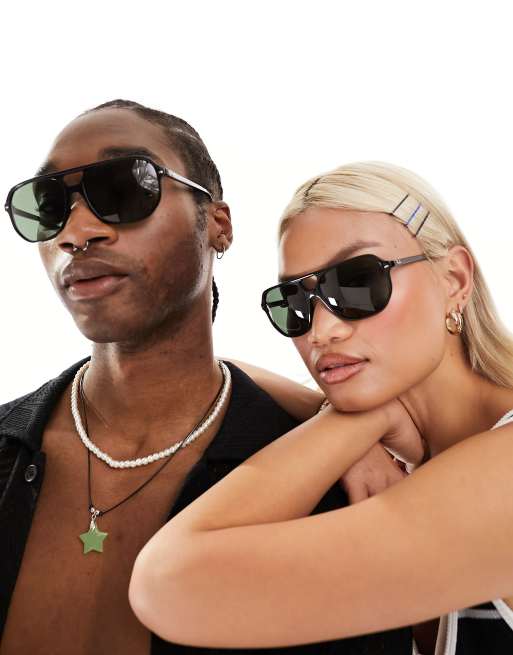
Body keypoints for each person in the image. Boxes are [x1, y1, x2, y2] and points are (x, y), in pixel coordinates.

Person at [0, 103, 413, 655]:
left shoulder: (335, 495)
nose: (76, 232)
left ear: (218, 224)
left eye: (124, 188)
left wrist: (346, 428)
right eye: (48, 205)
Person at [129, 161, 513, 655]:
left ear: (454, 279)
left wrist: (355, 421)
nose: (321, 330)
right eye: (294, 302)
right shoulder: (436, 457)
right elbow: (213, 371)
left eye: (357, 282)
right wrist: (349, 418)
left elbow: (167, 585)